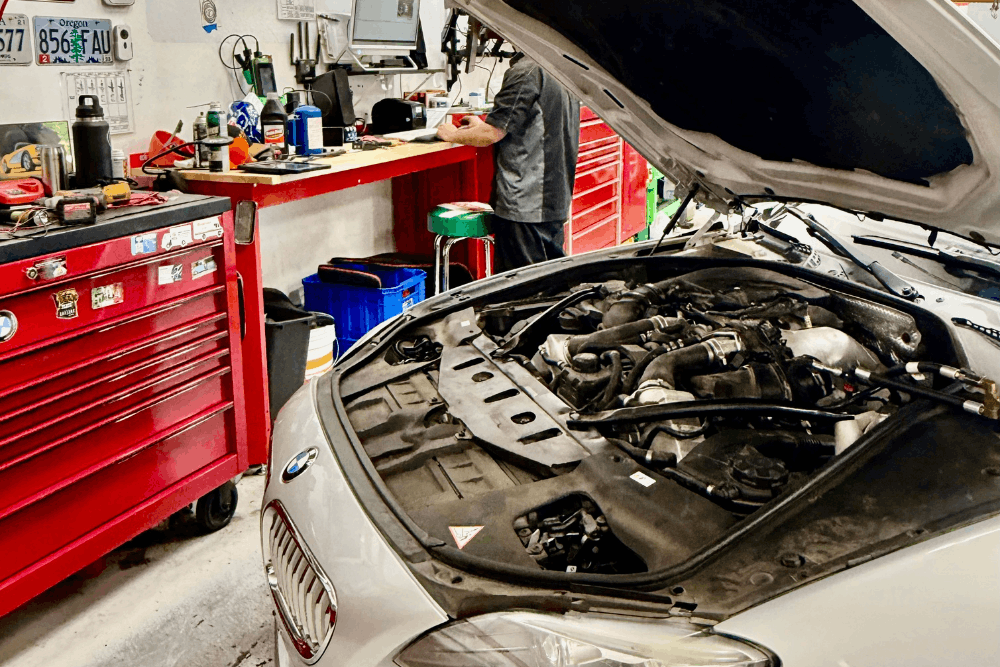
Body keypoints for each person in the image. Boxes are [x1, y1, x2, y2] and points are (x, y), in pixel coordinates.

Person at [437, 54, 580, 272]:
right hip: (552, 199)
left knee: (521, 291)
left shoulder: (526, 71)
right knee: (549, 281)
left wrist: (452, 135)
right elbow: (522, 123)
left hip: (526, 204)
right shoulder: (559, 65)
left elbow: (490, 135)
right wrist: (482, 124)